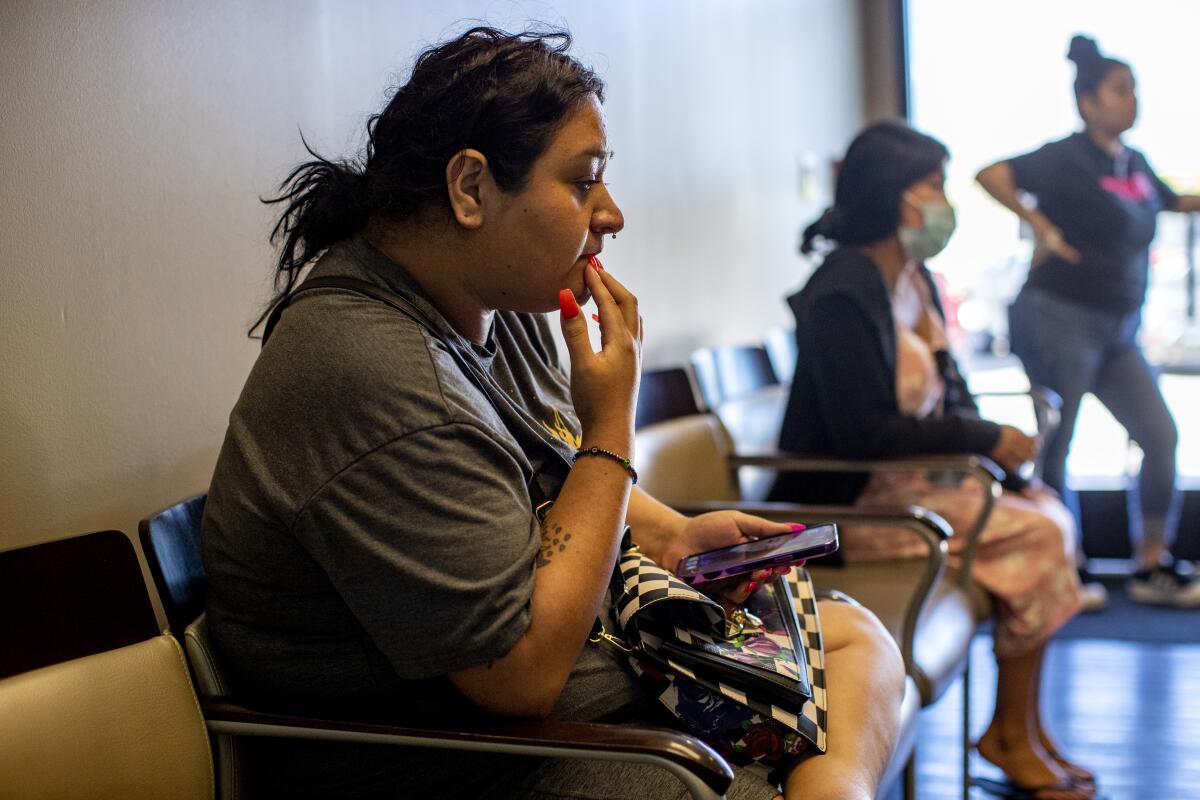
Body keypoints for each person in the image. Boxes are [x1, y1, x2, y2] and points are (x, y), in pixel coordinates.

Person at [201, 27, 905, 800]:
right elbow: (522, 675)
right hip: (454, 754)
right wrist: (613, 424)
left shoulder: (494, 310)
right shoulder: (376, 376)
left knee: (858, 640)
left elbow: (554, 463)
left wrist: (670, 532)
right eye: (583, 182)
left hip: (570, 682)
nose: (611, 215)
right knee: (811, 705)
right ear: (470, 189)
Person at [772, 121, 1092, 800]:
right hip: (843, 505)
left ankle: (1021, 728)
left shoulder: (911, 278)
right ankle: (1008, 735)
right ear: (894, 196)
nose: (944, 203)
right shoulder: (841, 288)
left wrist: (1008, 466)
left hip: (905, 492)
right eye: (934, 186)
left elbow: (952, 397)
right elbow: (860, 433)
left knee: (1046, 512)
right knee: (1040, 535)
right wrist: (982, 441)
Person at [976, 34, 1200, 608]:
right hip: (1059, 316)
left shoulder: (1135, 162)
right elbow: (992, 174)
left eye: (1135, 90)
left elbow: (1174, 202)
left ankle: (1152, 565)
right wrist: (1041, 228)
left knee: (1160, 435)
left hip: (1119, 327)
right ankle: (1064, 570)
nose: (1132, 100)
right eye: (1120, 91)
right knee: (1059, 442)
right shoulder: (1065, 157)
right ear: (1088, 102)